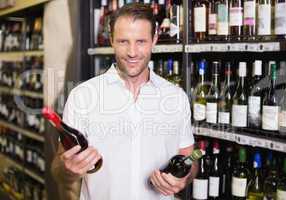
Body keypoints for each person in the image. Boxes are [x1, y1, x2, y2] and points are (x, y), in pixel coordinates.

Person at [52, 3, 197, 200]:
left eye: (141, 41)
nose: (132, 52)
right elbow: (59, 169)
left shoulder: (176, 97)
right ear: (111, 40)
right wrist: (68, 169)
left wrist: (185, 176)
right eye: (123, 41)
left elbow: (190, 157)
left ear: (154, 39)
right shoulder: (83, 96)